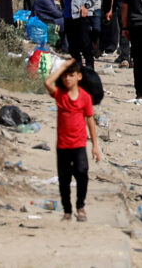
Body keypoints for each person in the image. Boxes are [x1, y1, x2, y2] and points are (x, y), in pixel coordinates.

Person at [43, 58, 101, 222]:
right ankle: (67, 210)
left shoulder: (85, 97)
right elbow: (48, 82)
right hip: (62, 145)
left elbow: (90, 120)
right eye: (65, 76)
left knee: (82, 173)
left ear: (79, 77)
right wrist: (62, 67)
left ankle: (80, 206)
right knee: (64, 179)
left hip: (79, 144)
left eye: (71, 75)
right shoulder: (60, 95)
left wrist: (95, 146)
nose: (68, 78)